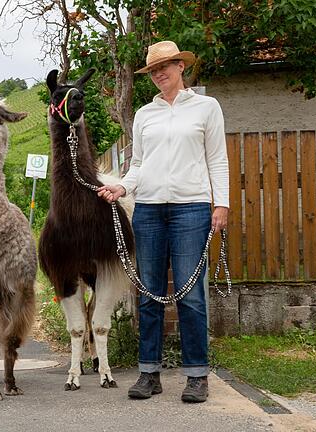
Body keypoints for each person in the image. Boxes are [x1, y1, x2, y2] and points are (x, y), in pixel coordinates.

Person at [98, 41, 229, 403]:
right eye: (153, 70)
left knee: (191, 296)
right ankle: (149, 373)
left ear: (180, 67)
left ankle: (197, 376)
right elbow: (138, 164)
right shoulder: (145, 114)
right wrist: (121, 186)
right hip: (150, 210)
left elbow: (217, 159)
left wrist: (223, 204)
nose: (159, 74)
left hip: (192, 208)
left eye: (165, 67)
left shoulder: (206, 108)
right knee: (149, 294)